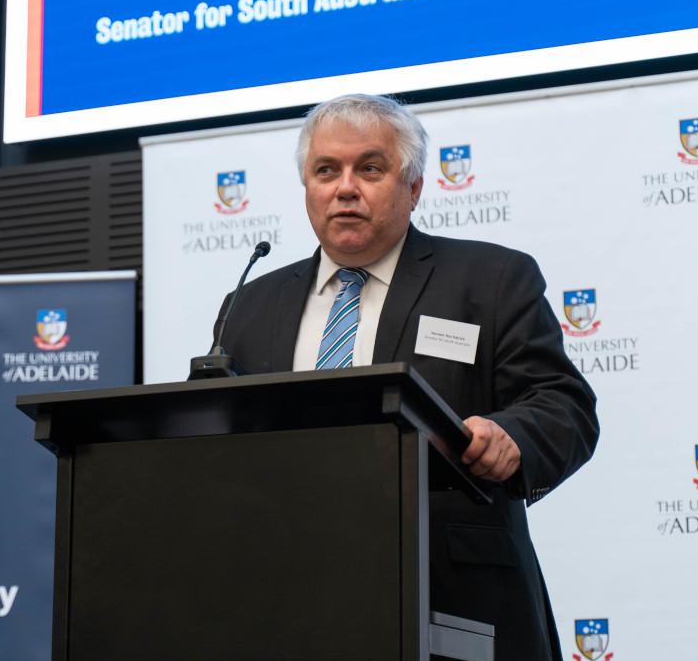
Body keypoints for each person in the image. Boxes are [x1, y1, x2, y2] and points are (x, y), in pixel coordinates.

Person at [213, 93, 599, 660]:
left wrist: (512, 436)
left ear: (414, 186)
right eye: (326, 170)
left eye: (370, 168)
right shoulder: (248, 305)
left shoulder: (491, 279)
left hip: (452, 597)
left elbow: (563, 404)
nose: (345, 187)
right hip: (287, 597)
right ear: (307, 189)